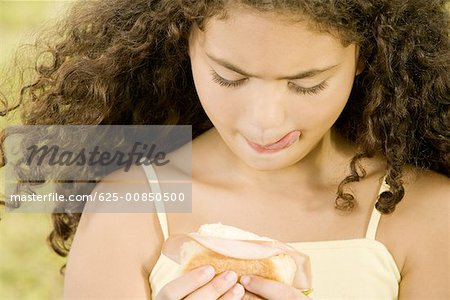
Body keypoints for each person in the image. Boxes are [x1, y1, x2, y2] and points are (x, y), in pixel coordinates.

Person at [1, 0, 448, 299]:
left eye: (307, 83)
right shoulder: (128, 205)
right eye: (229, 78)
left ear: (364, 57)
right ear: (185, 42)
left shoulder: (426, 212)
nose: (264, 120)